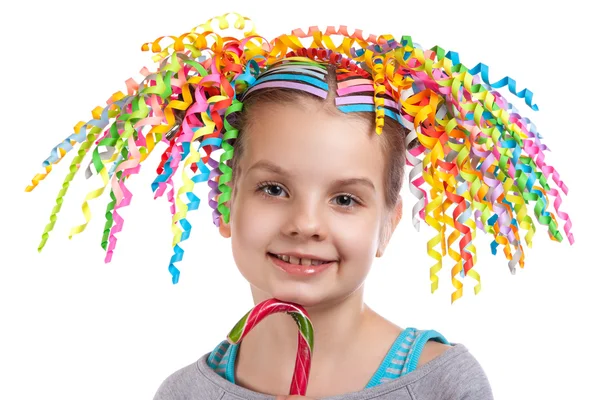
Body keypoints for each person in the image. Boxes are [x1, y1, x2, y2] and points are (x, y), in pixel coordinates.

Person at [27, 11, 572, 400]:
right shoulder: (183, 393)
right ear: (225, 201)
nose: (306, 223)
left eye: (345, 199)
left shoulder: (443, 385)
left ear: (388, 225)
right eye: (273, 189)